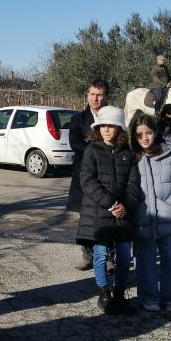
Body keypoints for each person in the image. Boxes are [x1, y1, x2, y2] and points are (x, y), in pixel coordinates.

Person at [76, 106, 142, 315]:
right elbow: (87, 181)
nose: (106, 130)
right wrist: (111, 204)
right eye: (103, 125)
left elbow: (134, 184)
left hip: (123, 215)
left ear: (119, 129)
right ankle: (105, 293)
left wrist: (126, 205)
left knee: (124, 256)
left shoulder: (127, 153)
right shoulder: (91, 150)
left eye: (111, 126)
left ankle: (121, 294)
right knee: (100, 254)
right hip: (99, 214)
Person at [129, 114, 171, 312]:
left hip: (166, 218)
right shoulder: (131, 157)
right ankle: (148, 297)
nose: (145, 138)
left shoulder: (170, 155)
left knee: (169, 261)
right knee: (144, 261)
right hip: (142, 219)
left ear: (155, 132)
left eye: (148, 133)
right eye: (139, 135)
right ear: (134, 137)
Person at [67, 78, 110, 271]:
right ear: (87, 96)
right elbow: (75, 143)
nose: (96, 99)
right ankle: (88, 255)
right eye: (92, 94)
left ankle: (109, 256)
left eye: (100, 95)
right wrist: (95, 153)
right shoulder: (79, 119)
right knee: (86, 217)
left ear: (106, 96)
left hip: (109, 176)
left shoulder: (113, 117)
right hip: (84, 176)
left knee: (108, 217)